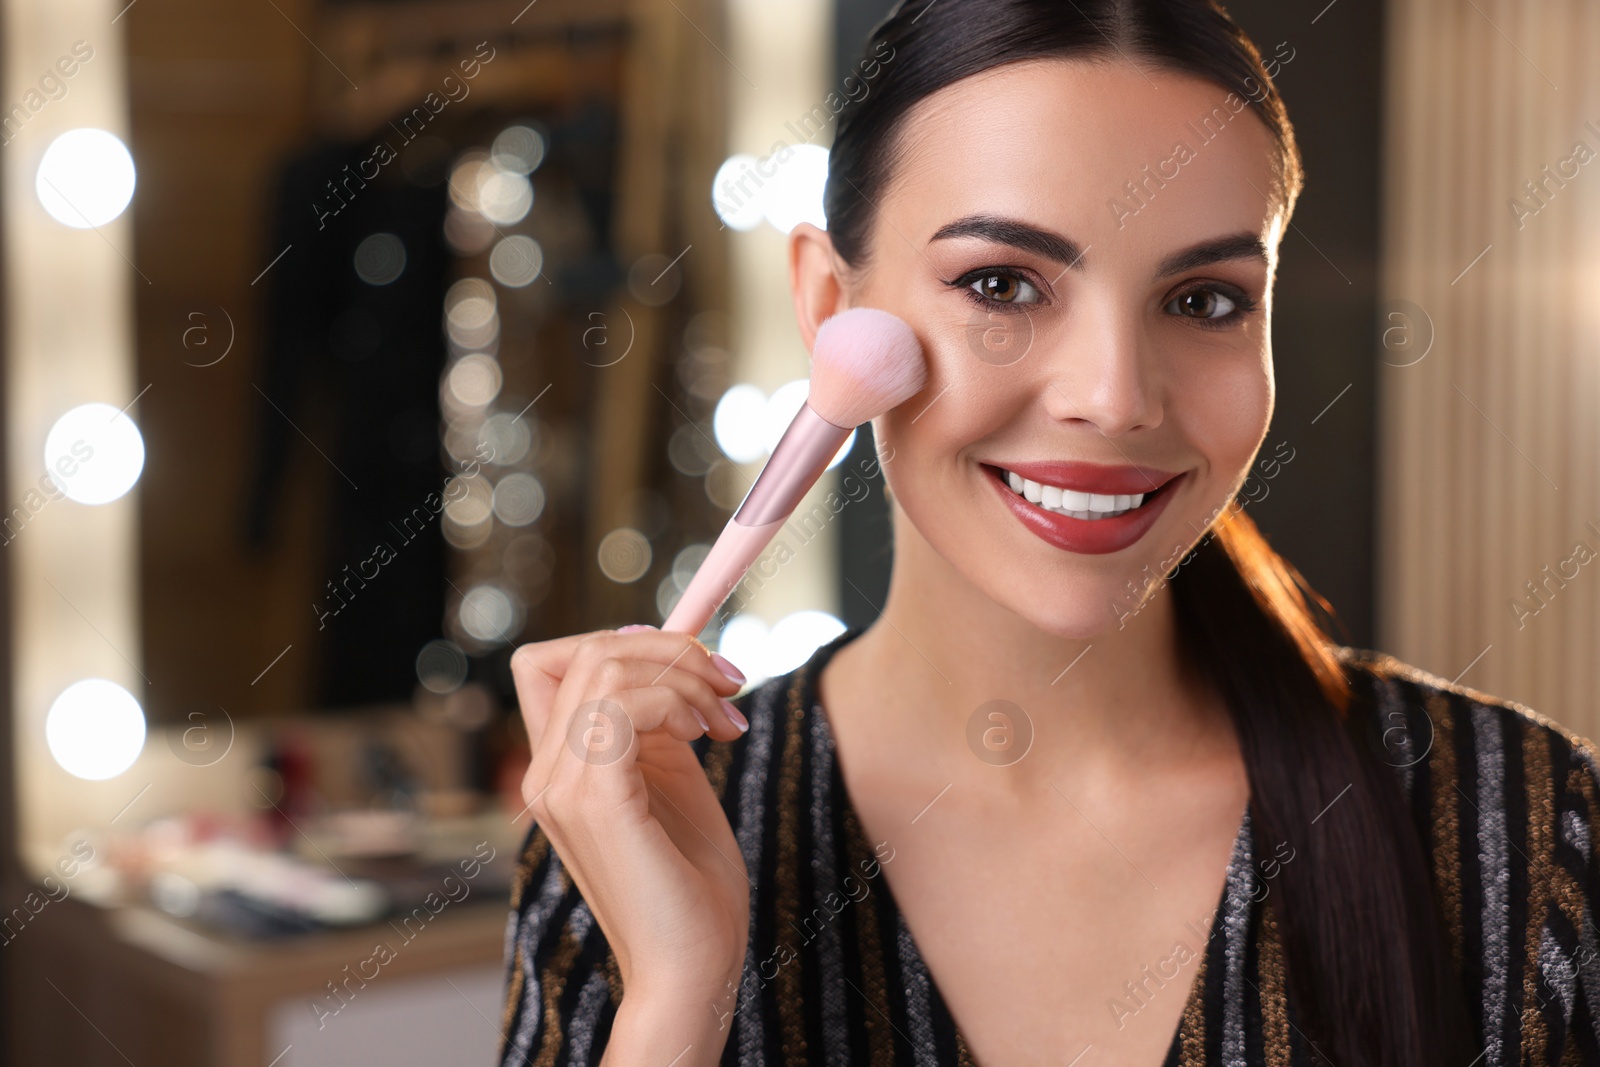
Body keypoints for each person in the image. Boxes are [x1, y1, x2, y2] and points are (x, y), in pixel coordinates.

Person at [497, 1, 1600, 1063]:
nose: (1114, 397)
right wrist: (678, 1002)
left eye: (1205, 299)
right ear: (832, 307)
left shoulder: (1519, 818)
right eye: (1001, 283)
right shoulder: (634, 829)